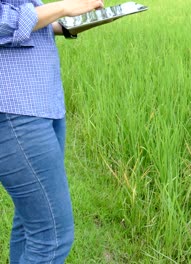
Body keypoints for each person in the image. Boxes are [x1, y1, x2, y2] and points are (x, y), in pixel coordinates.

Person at [0, 0, 110, 262]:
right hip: (14, 109)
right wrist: (63, 7)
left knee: (31, 225)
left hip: (42, 104)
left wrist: (70, 23)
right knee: (52, 237)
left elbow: (26, 23)